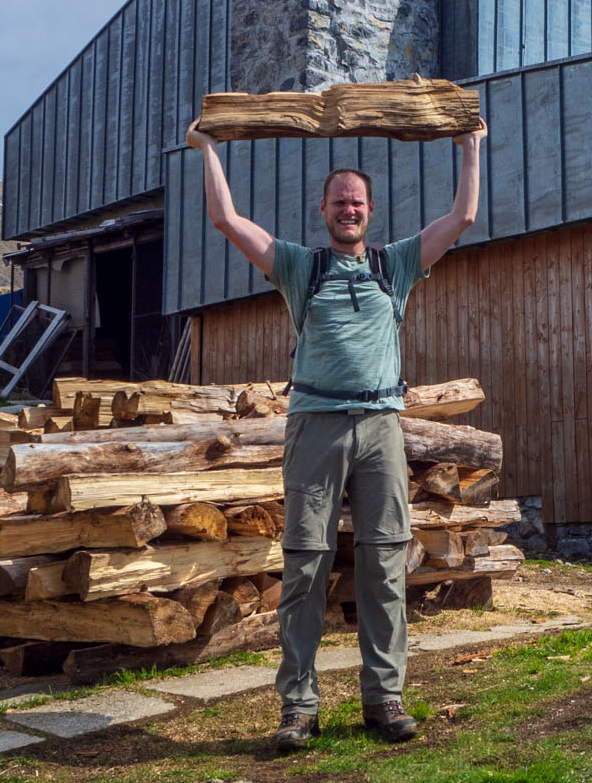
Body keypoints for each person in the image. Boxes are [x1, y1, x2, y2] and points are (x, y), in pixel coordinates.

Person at [185, 117, 487, 746]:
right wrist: (209, 150)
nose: (348, 209)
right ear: (322, 209)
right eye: (338, 201)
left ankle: (385, 700)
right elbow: (227, 222)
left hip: (380, 427)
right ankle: (298, 707)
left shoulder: (396, 265)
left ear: (370, 211)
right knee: (305, 567)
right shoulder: (301, 266)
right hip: (315, 425)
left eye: (357, 202)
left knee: (383, 565)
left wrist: (470, 147)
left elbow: (460, 218)